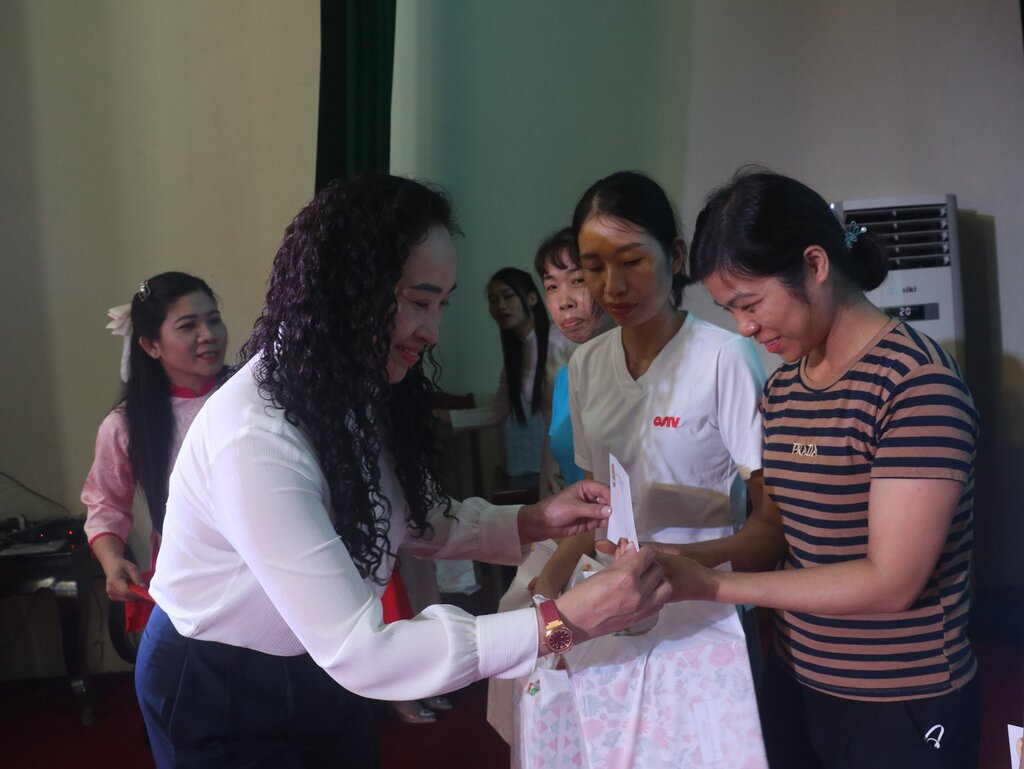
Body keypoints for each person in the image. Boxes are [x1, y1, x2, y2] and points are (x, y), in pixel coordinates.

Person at [133, 173, 670, 768]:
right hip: (226, 681)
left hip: (320, 664)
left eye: (442, 303)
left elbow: (403, 516)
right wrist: (564, 622)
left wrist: (534, 519)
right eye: (418, 302)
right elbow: (366, 651)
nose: (432, 331)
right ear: (349, 289)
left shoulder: (345, 384)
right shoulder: (256, 436)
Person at [662, 168, 979, 768]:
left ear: (815, 264)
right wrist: (675, 557)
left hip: (900, 698)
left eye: (750, 304)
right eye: (730, 310)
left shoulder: (915, 384)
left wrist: (712, 584)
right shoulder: (785, 388)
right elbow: (776, 532)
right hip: (800, 677)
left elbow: (892, 582)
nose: (745, 328)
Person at [531, 171, 777, 601]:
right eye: (593, 268)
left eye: (631, 262)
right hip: (613, 602)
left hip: (704, 607)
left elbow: (770, 529)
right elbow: (598, 514)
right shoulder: (587, 363)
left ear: (675, 256)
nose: (613, 286)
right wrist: (551, 579)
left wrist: (682, 558)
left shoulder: (724, 357)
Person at [82, 272, 228, 633]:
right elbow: (105, 503)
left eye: (213, 319)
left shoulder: (253, 394)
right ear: (150, 346)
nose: (208, 335)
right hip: (190, 579)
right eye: (188, 325)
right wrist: (113, 561)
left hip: (268, 567)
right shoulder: (125, 425)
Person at [443, 266, 576, 495]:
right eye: (493, 300)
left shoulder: (565, 340)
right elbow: (496, 413)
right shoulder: (514, 362)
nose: (500, 306)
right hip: (550, 454)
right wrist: (438, 416)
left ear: (532, 298)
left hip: (581, 448)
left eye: (508, 296)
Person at [533, 226, 612, 493]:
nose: (563, 301)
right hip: (580, 533)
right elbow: (555, 482)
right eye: (551, 286)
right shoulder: (567, 378)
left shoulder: (649, 374)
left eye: (577, 280)